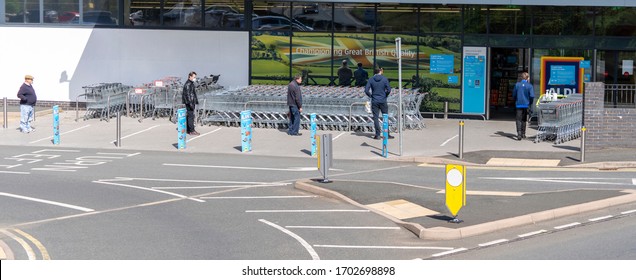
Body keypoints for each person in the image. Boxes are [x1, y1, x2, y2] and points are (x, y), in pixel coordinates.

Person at [365, 68, 394, 140]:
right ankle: (386, 133)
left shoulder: (371, 79)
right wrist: (385, 95)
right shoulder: (384, 79)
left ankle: (377, 134)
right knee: (385, 116)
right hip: (383, 100)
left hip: (375, 100)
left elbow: (366, 90)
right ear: (380, 71)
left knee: (375, 117)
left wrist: (371, 96)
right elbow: (389, 90)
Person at [512, 72, 535, 141]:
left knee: (518, 119)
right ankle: (523, 133)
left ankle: (519, 133)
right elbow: (532, 96)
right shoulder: (529, 86)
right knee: (524, 119)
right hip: (526, 104)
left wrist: (516, 99)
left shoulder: (517, 85)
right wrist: (530, 102)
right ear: (527, 78)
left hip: (518, 104)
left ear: (522, 78)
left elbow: (514, 94)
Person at [182, 71, 200, 136]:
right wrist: (191, 103)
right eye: (194, 77)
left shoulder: (191, 83)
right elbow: (188, 95)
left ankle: (189, 130)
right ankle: (191, 130)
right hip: (189, 102)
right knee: (191, 116)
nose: (195, 78)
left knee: (190, 116)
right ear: (190, 76)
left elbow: (192, 94)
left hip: (191, 102)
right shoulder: (188, 84)